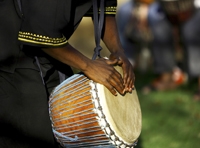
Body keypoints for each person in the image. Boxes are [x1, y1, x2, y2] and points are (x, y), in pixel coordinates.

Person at [0, 0, 135, 148]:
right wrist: (88, 66)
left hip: (51, 48)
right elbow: (41, 33)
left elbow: (104, 9)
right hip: (12, 55)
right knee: (32, 134)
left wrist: (118, 51)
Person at [143, 0, 200, 99]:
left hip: (195, 7)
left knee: (191, 32)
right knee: (158, 23)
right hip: (166, 8)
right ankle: (167, 78)